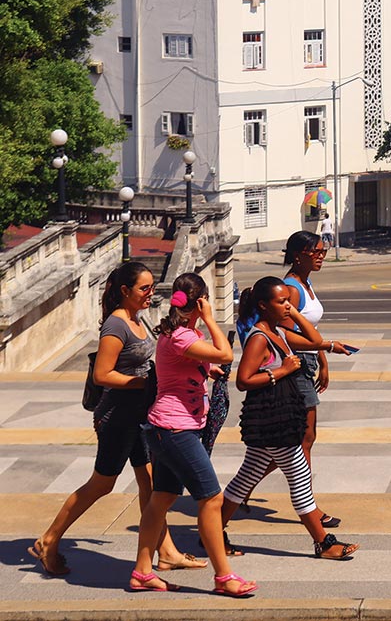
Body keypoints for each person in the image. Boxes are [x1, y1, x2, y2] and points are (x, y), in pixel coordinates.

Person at [30, 263, 203, 578]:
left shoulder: (138, 319)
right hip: (118, 417)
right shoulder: (116, 325)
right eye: (144, 288)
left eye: (151, 287)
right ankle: (49, 539)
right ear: (125, 291)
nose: (151, 293)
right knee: (102, 484)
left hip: (139, 415)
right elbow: (103, 375)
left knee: (149, 482)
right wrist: (145, 383)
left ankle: (167, 554)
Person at [129, 273, 254, 596]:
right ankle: (224, 577)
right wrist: (213, 321)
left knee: (162, 499)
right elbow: (226, 354)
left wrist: (204, 369)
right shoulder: (184, 337)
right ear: (200, 302)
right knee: (211, 499)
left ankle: (143, 572)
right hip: (175, 429)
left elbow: (185, 363)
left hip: (165, 427)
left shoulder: (178, 333)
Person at [221, 277, 358, 561]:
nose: (287, 305)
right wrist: (281, 371)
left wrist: (294, 314)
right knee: (300, 479)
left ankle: (211, 529)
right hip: (273, 420)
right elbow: (243, 380)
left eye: (289, 301)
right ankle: (324, 543)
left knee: (245, 478)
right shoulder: (259, 338)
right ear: (263, 305)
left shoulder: (277, 333)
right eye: (281, 302)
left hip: (277, 417)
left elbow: (314, 341)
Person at [281, 231, 347, 528]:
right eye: (316, 252)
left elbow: (309, 329)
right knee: (304, 439)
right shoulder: (291, 288)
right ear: (299, 254)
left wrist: (322, 358)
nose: (321, 255)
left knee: (298, 440)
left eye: (323, 250)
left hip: (308, 361)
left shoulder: (306, 283)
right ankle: (310, 507)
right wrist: (325, 346)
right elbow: (284, 335)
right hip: (294, 366)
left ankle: (240, 492)